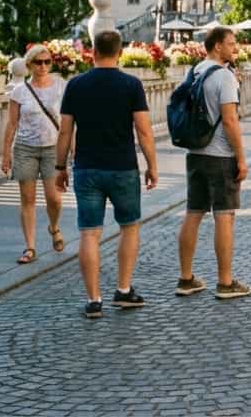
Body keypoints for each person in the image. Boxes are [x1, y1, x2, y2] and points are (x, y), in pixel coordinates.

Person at [55, 30, 159, 319]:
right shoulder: (131, 85)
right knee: (129, 227)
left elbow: (65, 131)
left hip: (87, 167)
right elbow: (143, 130)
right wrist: (152, 164)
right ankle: (123, 290)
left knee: (89, 232)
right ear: (120, 52)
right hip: (123, 167)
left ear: (93, 51)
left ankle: (93, 299)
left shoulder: (76, 85)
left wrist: (60, 167)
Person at [175, 27, 251, 300]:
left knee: (193, 213)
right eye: (231, 44)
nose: (235, 48)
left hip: (196, 153)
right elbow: (230, 121)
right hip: (220, 155)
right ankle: (225, 282)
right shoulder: (224, 76)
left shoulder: (196, 71)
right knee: (225, 216)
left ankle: (186, 278)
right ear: (217, 46)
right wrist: (241, 158)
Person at [1, 44, 67, 265]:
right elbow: (11, 124)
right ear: (29, 65)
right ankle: (30, 247)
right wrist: (6, 154)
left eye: (47, 61)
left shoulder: (60, 86)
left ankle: (54, 227)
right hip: (25, 148)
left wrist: (71, 145)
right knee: (27, 199)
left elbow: (68, 120)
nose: (43, 66)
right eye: (39, 62)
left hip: (52, 148)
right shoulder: (19, 91)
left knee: (54, 198)